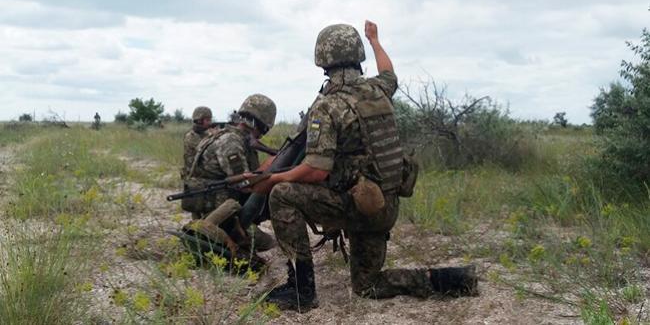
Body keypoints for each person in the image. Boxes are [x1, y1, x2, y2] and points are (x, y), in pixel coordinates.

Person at [249, 21, 478, 311]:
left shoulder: (327, 105)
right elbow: (389, 73)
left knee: (282, 194)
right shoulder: (377, 91)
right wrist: (375, 40)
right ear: (358, 57)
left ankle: (300, 290)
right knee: (368, 286)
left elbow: (316, 170)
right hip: (384, 208)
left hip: (357, 207)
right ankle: (455, 280)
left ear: (322, 60)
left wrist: (271, 179)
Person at [186, 95, 277, 250]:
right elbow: (245, 185)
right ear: (260, 124)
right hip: (219, 211)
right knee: (267, 243)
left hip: (214, 205)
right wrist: (271, 165)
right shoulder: (231, 141)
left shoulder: (233, 136)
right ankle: (224, 235)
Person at [181, 106, 213, 219]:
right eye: (207, 120)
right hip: (194, 177)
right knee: (196, 207)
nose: (210, 122)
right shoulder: (190, 136)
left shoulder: (205, 134)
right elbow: (202, 148)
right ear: (199, 120)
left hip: (202, 176)